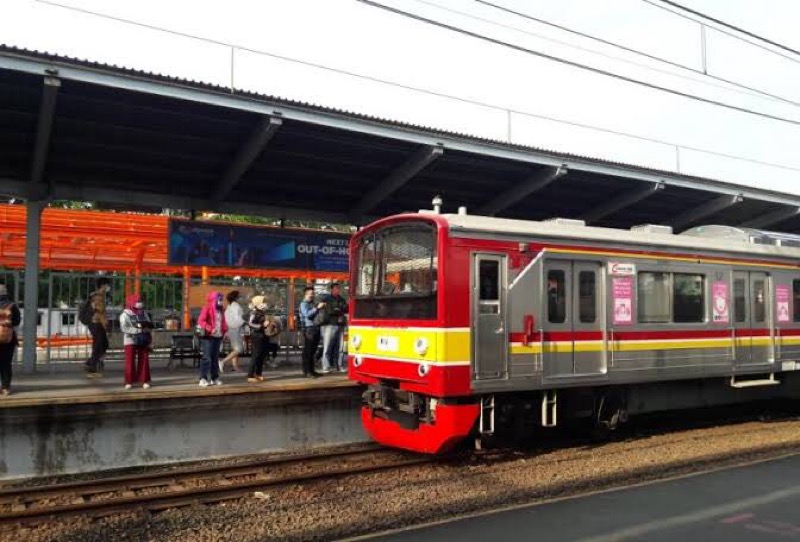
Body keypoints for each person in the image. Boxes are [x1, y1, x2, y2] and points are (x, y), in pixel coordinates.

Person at [119, 294, 153, 390]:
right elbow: (124, 328)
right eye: (137, 301)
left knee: (144, 359)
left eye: (140, 301)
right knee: (130, 361)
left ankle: (144, 380)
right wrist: (138, 330)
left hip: (143, 339)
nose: (139, 303)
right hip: (130, 339)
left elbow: (149, 323)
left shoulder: (144, 313)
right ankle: (129, 381)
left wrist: (148, 328)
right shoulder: (124, 314)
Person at [196, 291, 227, 387]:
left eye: (222, 299)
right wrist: (210, 328)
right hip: (208, 337)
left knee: (215, 358)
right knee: (207, 358)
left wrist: (225, 331)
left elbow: (223, 322)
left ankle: (215, 378)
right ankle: (203, 378)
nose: (221, 301)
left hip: (218, 336)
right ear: (215, 299)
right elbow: (201, 321)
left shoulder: (221, 310)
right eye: (220, 299)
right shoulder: (207, 308)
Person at [320, 283, 348, 373]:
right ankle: (326, 366)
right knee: (327, 346)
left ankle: (340, 365)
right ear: (331, 289)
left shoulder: (341, 299)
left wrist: (337, 309)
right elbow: (329, 311)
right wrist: (339, 309)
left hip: (341, 325)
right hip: (330, 325)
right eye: (335, 288)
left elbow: (346, 309)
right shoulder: (326, 299)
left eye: (338, 288)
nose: (337, 290)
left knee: (341, 347)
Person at [85, 278, 111, 378]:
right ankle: (92, 367)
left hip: (95, 323)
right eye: (107, 285)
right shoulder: (99, 297)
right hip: (97, 323)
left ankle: (90, 363)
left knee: (102, 344)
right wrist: (106, 326)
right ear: (103, 285)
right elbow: (100, 313)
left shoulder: (96, 295)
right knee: (99, 345)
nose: (108, 288)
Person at [0, 285, 21, 396]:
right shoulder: (12, 305)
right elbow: (17, 321)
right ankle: (5, 388)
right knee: (6, 363)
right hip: (8, 339)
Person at [299, 287, 323, 378]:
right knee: (308, 351)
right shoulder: (303, 304)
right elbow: (307, 314)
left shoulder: (312, 303)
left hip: (316, 327)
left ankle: (312, 371)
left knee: (313, 351)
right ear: (306, 294)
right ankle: (307, 371)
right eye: (310, 293)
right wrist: (317, 308)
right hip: (309, 329)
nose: (312, 295)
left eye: (313, 293)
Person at [220, 290, 244, 373]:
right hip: (235, 329)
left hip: (232, 329)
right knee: (239, 349)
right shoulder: (236, 306)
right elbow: (238, 319)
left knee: (236, 348)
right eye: (240, 296)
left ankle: (235, 366)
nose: (241, 298)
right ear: (236, 298)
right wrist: (243, 322)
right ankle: (222, 361)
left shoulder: (229, 306)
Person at [246, 296, 268, 383]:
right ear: (258, 304)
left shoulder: (262, 312)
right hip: (256, 337)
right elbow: (250, 324)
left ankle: (258, 374)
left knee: (261, 356)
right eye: (263, 302)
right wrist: (262, 326)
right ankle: (250, 375)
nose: (265, 304)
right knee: (255, 355)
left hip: (263, 336)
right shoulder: (254, 312)